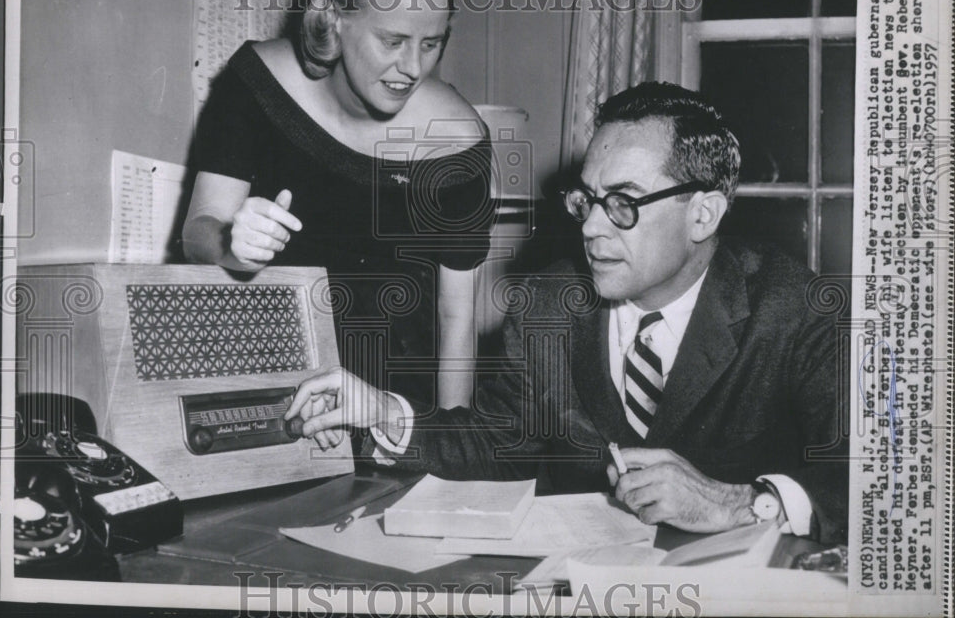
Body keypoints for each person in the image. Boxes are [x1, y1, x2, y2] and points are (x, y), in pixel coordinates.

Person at [285, 82, 849, 544]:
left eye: (623, 204)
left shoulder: (794, 308)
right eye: (586, 201)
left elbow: (882, 480)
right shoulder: (546, 305)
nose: (590, 227)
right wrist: (387, 413)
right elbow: (497, 445)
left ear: (703, 215)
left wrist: (739, 504)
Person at [182, 0, 494, 410]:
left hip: (391, 405)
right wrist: (230, 244)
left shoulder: (457, 142)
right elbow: (197, 233)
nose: (413, 68)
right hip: (268, 384)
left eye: (431, 44)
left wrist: (445, 449)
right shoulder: (254, 83)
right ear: (332, 18)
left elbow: (457, 316)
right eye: (393, 41)